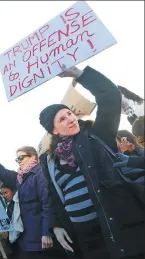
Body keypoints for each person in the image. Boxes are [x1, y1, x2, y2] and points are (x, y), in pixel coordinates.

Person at [39, 65, 145, 259]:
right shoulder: (49, 160)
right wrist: (56, 225)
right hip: (86, 240)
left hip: (119, 228)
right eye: (62, 119)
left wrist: (80, 74)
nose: (70, 119)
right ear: (53, 130)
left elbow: (110, 96)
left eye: (69, 113)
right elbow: (53, 195)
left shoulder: (97, 135)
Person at [0, 145, 54, 259]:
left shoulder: (39, 174)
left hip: (39, 236)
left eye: (21, 158)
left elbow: (47, 204)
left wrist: (47, 232)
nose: (18, 162)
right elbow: (4, 173)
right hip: (26, 237)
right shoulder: (21, 178)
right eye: (17, 159)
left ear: (33, 157)